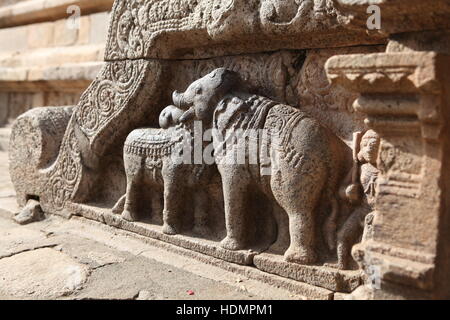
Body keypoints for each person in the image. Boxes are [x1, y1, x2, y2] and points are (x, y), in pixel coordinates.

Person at [334, 129, 380, 270]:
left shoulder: (386, 170)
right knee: (342, 236)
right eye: (364, 145)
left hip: (378, 214)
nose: (368, 149)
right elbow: (342, 189)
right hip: (362, 209)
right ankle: (342, 267)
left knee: (370, 246)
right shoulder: (361, 168)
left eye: (373, 145)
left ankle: (372, 279)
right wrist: (348, 192)